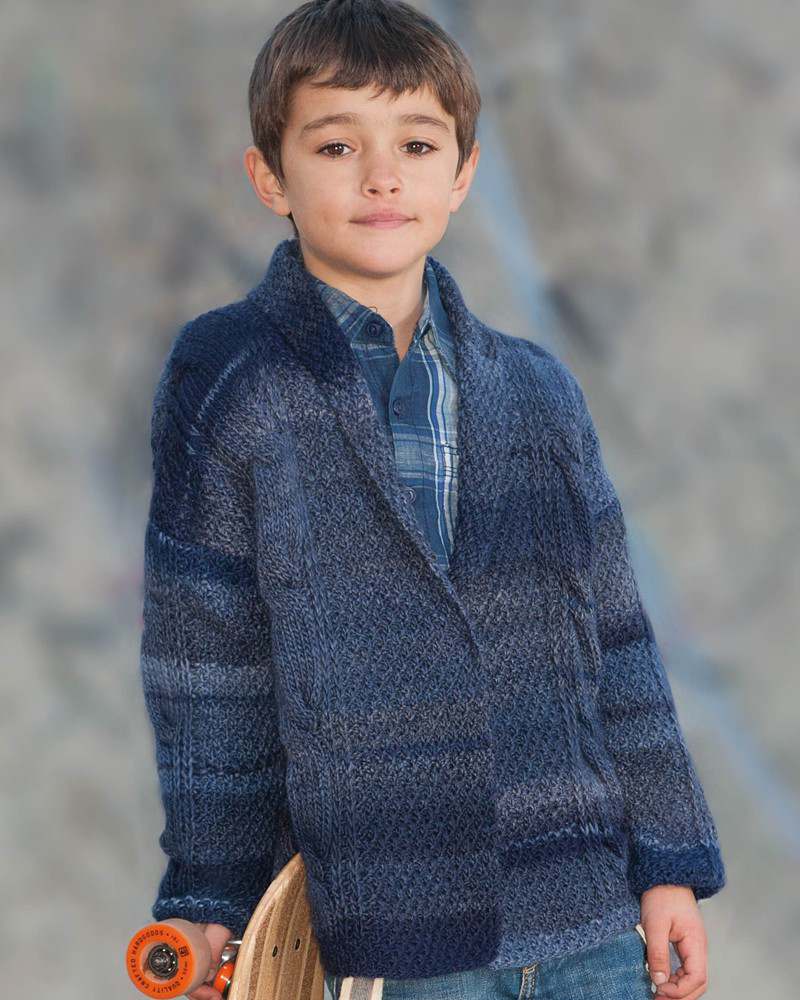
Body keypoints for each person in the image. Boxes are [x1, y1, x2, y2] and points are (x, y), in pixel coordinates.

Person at [138, 2, 726, 999]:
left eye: (416, 144)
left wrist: (665, 860)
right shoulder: (233, 378)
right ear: (269, 176)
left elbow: (619, 638)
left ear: (461, 173)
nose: (382, 177)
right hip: (390, 934)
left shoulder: (536, 390)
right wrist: (210, 896)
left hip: (587, 918)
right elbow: (208, 667)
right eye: (336, 145)